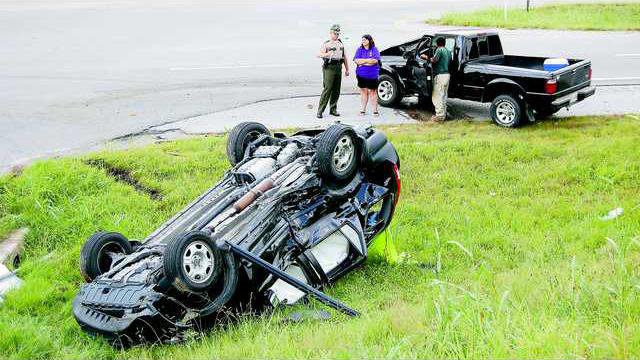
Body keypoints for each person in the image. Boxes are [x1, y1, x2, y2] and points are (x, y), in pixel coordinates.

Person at [317, 24, 349, 118]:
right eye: (334, 33)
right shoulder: (327, 43)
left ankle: (333, 109)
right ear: (330, 33)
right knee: (328, 88)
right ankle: (320, 111)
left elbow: (344, 57)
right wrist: (327, 54)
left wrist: (347, 69)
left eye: (337, 34)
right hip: (329, 67)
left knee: (336, 89)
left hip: (338, 67)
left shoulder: (340, 44)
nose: (336, 35)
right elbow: (319, 54)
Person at [421, 37, 451, 122]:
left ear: (437, 44)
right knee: (444, 96)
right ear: (444, 43)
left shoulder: (439, 50)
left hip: (440, 76)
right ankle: (444, 114)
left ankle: (439, 117)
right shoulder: (448, 52)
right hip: (447, 75)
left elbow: (434, 60)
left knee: (437, 96)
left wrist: (425, 57)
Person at [353, 34, 381, 116]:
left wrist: (363, 62)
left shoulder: (374, 49)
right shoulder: (359, 49)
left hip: (372, 75)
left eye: (365, 40)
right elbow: (356, 61)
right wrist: (368, 60)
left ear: (369, 41)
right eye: (362, 40)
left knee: (373, 92)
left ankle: (375, 110)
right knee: (363, 91)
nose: (363, 41)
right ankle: (363, 110)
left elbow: (375, 61)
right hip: (361, 74)